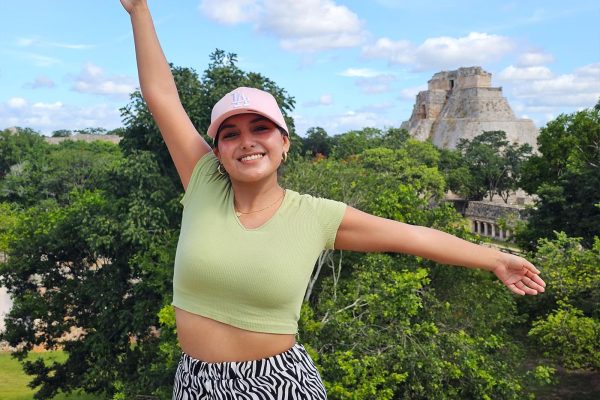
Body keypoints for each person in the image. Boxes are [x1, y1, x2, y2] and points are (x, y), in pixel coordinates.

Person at [120, 1, 546, 398]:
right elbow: (162, 97)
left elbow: (412, 236)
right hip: (195, 383)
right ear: (217, 151)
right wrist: (139, 9)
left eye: (260, 129)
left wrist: (494, 258)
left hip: (276, 384)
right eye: (230, 134)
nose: (246, 141)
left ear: (284, 143)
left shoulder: (314, 216)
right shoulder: (203, 183)